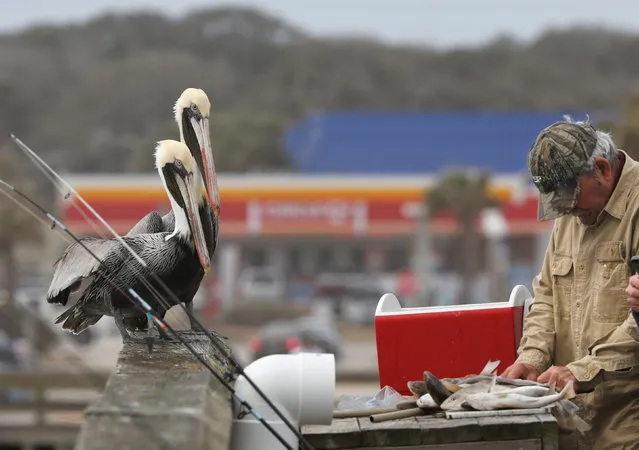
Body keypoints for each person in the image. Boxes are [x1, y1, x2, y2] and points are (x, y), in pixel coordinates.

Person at [501, 118, 639, 449]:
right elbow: (547, 295)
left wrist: (582, 370)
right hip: (569, 417)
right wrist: (532, 356)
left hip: (626, 421)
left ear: (603, 169)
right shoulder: (572, 211)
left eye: (576, 203)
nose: (573, 215)